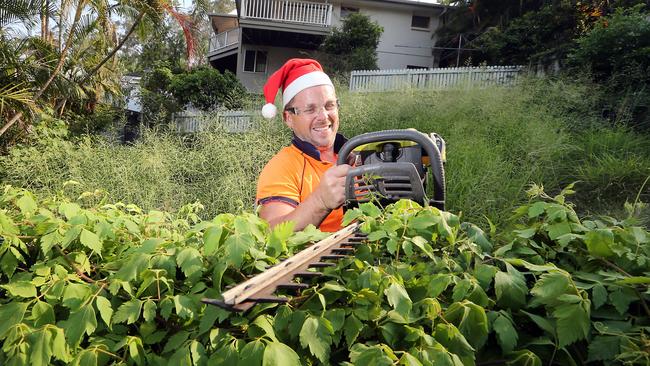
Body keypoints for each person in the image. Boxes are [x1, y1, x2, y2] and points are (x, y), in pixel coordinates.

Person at [256, 58, 351, 232]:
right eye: (310, 109)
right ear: (288, 118)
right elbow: (271, 232)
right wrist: (320, 201)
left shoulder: (357, 153)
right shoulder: (282, 167)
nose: (323, 117)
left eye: (330, 105)